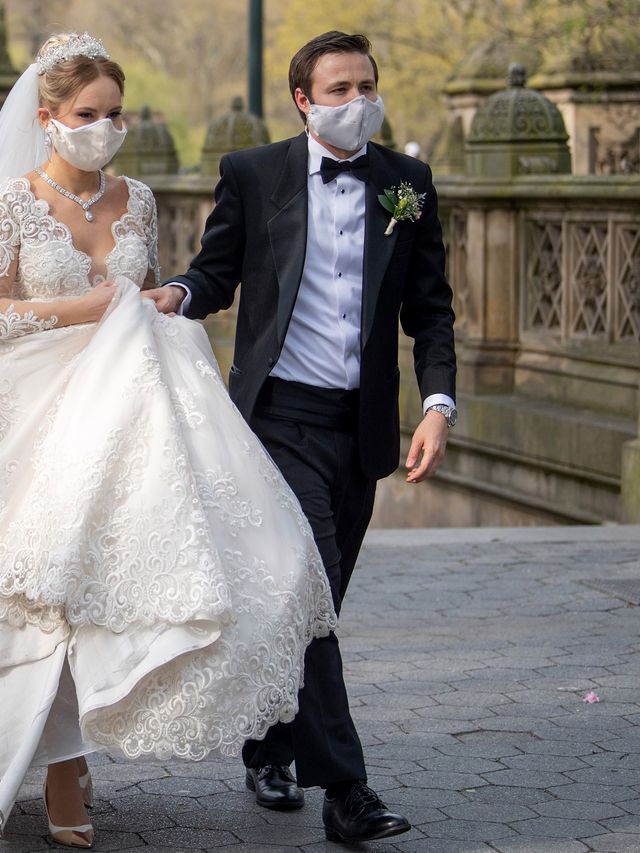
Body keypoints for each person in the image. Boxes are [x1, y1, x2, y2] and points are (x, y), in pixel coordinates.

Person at [0, 33, 338, 852]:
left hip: (126, 403)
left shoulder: (141, 198)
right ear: (48, 118)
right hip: (29, 410)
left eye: (116, 113)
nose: (105, 127)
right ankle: (6, 760)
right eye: (88, 113)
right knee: (31, 592)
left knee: (115, 576)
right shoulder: (13, 202)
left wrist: (151, 303)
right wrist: (77, 309)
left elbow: (146, 298)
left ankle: (72, 760)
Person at [145, 30, 457, 845]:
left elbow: (431, 309)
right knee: (308, 591)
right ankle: (348, 792)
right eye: (341, 88)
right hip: (276, 421)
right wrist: (178, 291)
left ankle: (268, 743)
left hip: (358, 430)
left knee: (311, 604)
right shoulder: (255, 173)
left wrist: (438, 405)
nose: (359, 101)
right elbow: (218, 270)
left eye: (367, 85)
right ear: (304, 100)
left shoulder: (408, 184)